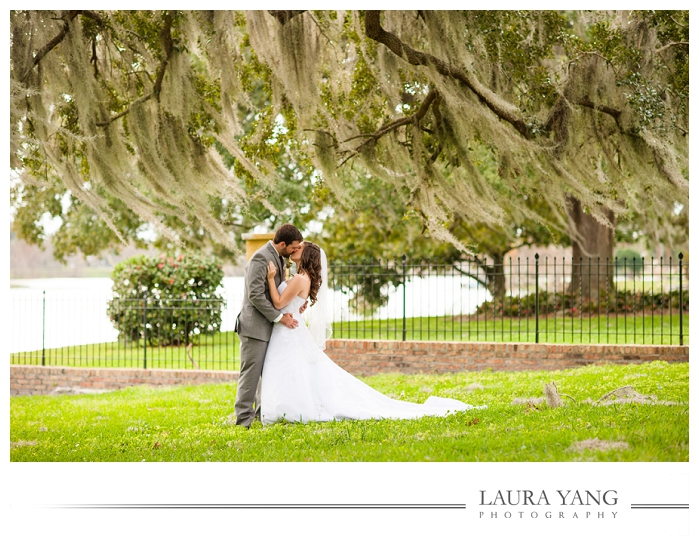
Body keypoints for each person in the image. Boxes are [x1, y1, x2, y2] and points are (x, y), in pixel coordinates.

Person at [260, 242, 480, 425]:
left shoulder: (300, 278)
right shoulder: (301, 277)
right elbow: (292, 301)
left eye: (301, 247)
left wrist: (271, 279)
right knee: (296, 370)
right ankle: (285, 406)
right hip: (290, 328)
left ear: (307, 255)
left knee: (293, 369)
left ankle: (287, 407)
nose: (296, 248)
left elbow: (279, 302)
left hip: (289, 329)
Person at [234, 224, 306, 428]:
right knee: (250, 376)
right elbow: (255, 295)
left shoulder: (278, 258)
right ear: (282, 244)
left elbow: (279, 292)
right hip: (254, 327)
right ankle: (243, 421)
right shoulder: (260, 257)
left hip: (266, 327)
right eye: (293, 247)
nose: (294, 251)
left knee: (263, 375)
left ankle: (258, 415)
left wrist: (296, 304)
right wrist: (280, 317)